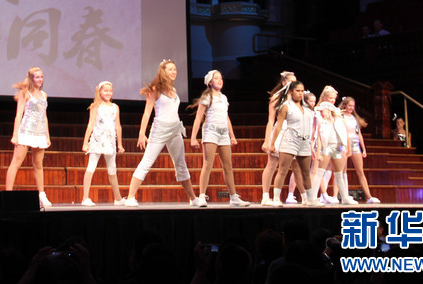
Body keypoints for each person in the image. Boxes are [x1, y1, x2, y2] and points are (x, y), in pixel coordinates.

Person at [124, 59, 198, 207]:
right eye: (170, 69)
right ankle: (130, 197)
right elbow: (147, 113)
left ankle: (193, 198)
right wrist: (142, 133)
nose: (173, 72)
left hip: (175, 130)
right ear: (163, 71)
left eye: (175, 69)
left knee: (181, 164)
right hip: (160, 130)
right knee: (147, 162)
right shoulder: (155, 89)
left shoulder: (174, 90)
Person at [188, 70, 249, 207]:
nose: (220, 80)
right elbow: (198, 118)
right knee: (207, 164)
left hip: (223, 134)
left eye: (221, 78)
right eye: (216, 78)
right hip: (211, 132)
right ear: (210, 82)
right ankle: (202, 196)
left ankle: (233, 197)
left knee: (228, 166)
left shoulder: (224, 98)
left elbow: (226, 118)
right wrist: (193, 138)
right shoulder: (207, 97)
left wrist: (232, 136)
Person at [5, 66, 52, 208]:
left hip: (40, 133)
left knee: (38, 164)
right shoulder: (25, 94)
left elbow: (44, 116)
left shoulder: (44, 95)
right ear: (31, 78)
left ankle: (41, 195)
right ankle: (8, 195)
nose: (40, 79)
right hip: (26, 132)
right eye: (37, 77)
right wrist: (15, 135)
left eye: (41, 77)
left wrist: (47, 136)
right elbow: (19, 114)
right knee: (16, 162)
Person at [268, 81, 319, 206]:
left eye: (302, 91)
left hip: (304, 141)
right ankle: (276, 199)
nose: (300, 93)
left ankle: (310, 199)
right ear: (291, 91)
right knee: (283, 170)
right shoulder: (286, 106)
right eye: (297, 91)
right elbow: (279, 126)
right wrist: (272, 143)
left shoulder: (307, 107)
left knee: (305, 172)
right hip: (290, 140)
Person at [81, 81, 125, 206]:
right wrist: (85, 142)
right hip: (97, 139)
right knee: (91, 166)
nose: (108, 93)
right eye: (105, 90)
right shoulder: (96, 106)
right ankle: (85, 198)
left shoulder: (115, 107)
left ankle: (118, 198)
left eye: (110, 91)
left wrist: (120, 144)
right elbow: (90, 124)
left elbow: (118, 126)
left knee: (112, 168)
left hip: (110, 141)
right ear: (100, 91)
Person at [309, 86, 354, 204]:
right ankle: (312, 197)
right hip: (326, 146)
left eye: (334, 98)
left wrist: (346, 146)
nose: (333, 101)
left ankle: (344, 197)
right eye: (330, 98)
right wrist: (317, 150)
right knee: (320, 171)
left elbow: (342, 130)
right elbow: (318, 132)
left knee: (339, 172)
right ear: (325, 97)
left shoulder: (337, 112)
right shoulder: (319, 110)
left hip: (336, 145)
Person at [261, 71, 296, 205]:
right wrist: (267, 140)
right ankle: (265, 196)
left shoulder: (297, 98)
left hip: (293, 132)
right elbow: (270, 121)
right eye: (291, 81)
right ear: (284, 82)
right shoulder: (276, 97)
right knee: (272, 164)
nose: (293, 84)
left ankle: (283, 196)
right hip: (279, 131)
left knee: (292, 167)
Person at [340, 96, 380, 204]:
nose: (351, 108)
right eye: (349, 105)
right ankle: (342, 196)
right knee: (342, 171)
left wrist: (363, 149)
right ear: (345, 105)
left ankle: (369, 197)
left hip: (355, 145)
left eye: (353, 106)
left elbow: (359, 134)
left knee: (360, 171)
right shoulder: (340, 117)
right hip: (344, 144)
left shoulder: (354, 118)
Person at [286, 90, 316, 204]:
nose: (313, 103)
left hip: (306, 142)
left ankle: (307, 197)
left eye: (314, 101)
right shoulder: (298, 110)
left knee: (304, 170)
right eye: (311, 101)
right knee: (295, 169)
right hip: (295, 140)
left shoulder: (311, 112)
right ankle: (290, 194)